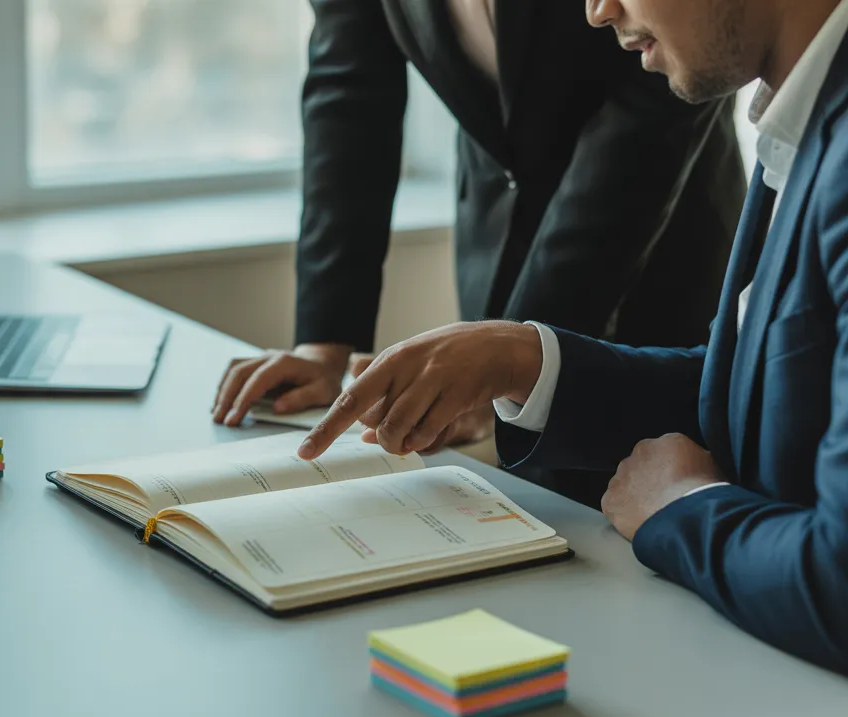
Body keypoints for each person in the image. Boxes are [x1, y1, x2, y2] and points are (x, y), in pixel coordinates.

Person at [297, 0, 848, 691]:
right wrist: (524, 361)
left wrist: (680, 510)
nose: (597, 10)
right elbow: (763, 390)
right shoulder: (816, 104)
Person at [212, 0, 746, 472]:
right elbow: (349, 89)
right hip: (494, 243)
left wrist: (509, 362)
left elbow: (656, 107)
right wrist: (324, 346)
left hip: (664, 254)